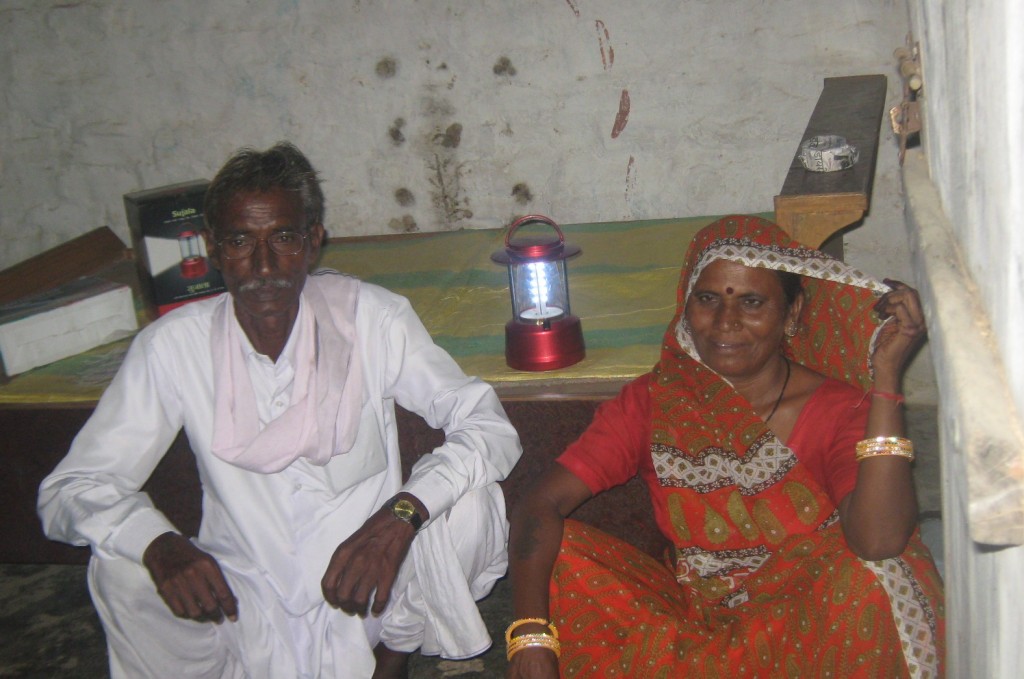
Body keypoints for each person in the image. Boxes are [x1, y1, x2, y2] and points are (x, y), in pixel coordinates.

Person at [38, 142, 523, 679]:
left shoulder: (372, 319)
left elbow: (487, 426)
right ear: (213, 249)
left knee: (472, 503)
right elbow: (70, 488)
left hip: (368, 584)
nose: (264, 266)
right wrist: (156, 542)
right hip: (241, 595)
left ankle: (391, 663)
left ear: (313, 241)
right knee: (119, 566)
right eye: (242, 241)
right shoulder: (174, 346)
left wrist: (399, 517)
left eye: (284, 238)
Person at [505, 215, 944, 678]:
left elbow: (878, 540)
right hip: (694, 619)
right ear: (685, 304)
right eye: (708, 299)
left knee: (879, 576)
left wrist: (887, 380)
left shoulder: (836, 408)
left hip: (806, 621)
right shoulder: (658, 400)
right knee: (561, 552)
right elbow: (541, 503)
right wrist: (529, 634)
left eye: (752, 302)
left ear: (791, 315)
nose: (724, 322)